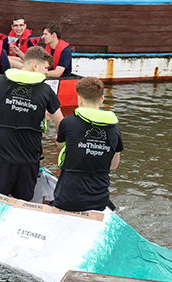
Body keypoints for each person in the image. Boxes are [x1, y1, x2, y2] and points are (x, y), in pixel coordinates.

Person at [0, 46, 64, 201]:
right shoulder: (46, 91)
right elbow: (63, 126)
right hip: (27, 162)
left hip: (0, 158)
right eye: (46, 68)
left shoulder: (0, 81)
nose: (47, 72)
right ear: (34, 65)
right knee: (23, 205)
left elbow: (7, 109)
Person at [50, 76, 123, 212]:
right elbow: (114, 165)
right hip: (99, 200)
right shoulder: (114, 128)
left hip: (67, 198)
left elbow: (60, 145)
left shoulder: (68, 123)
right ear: (101, 100)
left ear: (80, 99)